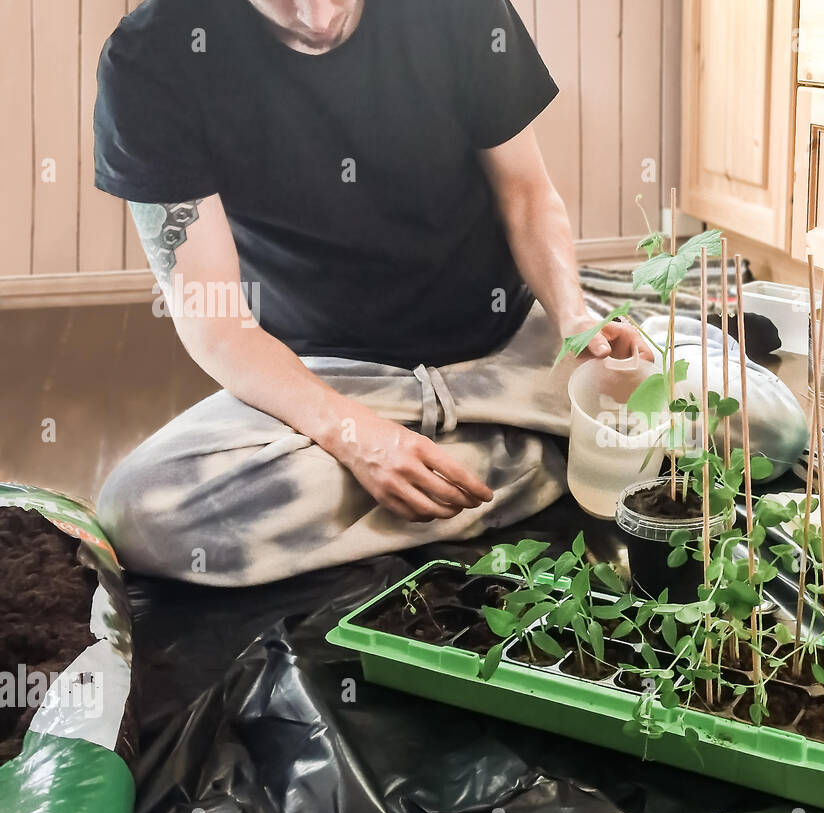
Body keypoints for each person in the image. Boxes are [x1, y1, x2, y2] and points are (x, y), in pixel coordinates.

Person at [92, 0, 648, 586]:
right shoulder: (152, 58)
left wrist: (572, 312)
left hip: (510, 348)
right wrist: (354, 437)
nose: (317, 16)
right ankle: (538, 459)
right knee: (140, 514)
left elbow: (528, 193)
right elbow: (215, 320)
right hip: (331, 376)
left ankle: (456, 469)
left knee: (748, 417)